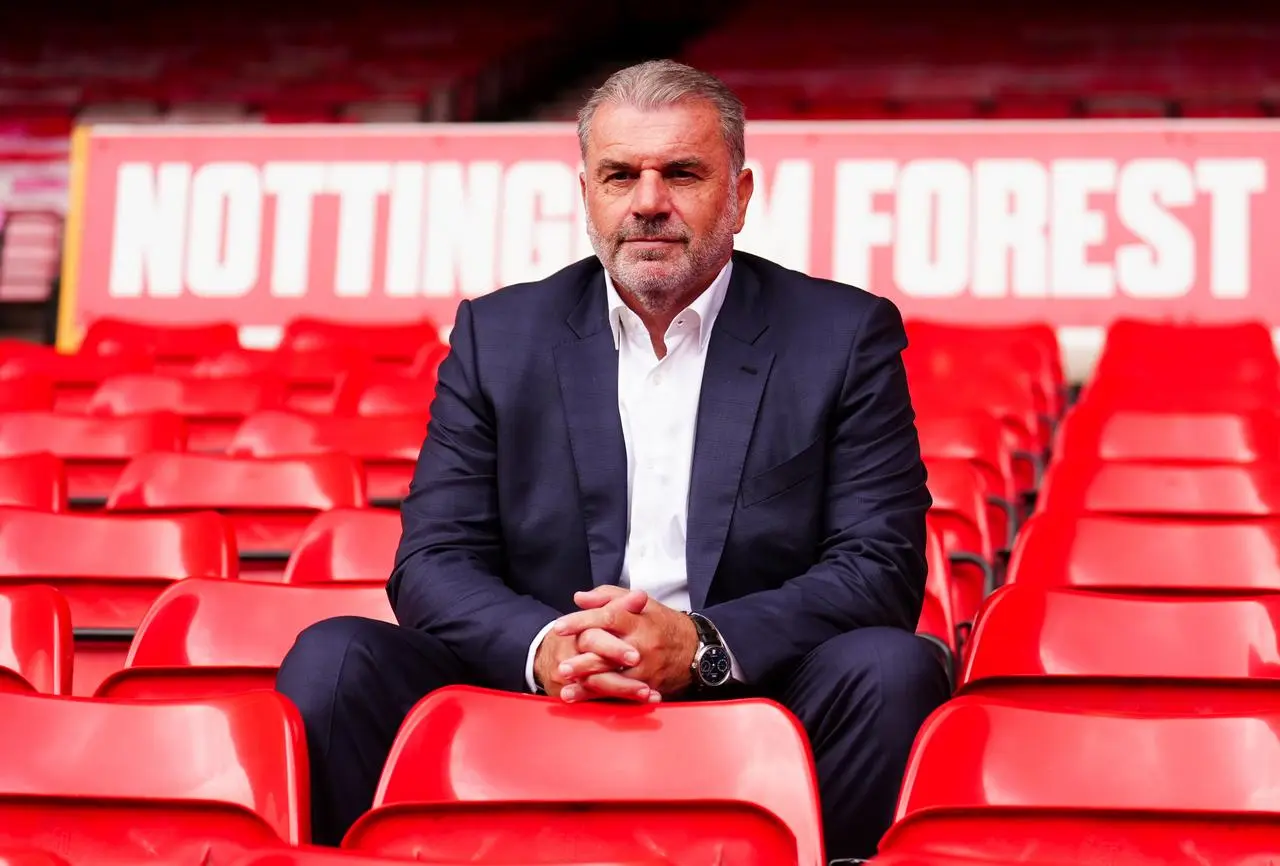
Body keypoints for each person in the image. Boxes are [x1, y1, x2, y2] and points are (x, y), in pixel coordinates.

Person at [276, 58, 950, 861]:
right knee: (337, 658)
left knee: (891, 670)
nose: (649, 201)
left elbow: (879, 567)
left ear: (741, 196)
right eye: (621, 175)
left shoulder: (841, 336)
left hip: (750, 694)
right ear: (588, 194)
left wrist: (698, 646)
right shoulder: (499, 337)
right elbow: (433, 561)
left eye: (682, 174)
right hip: (533, 693)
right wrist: (550, 649)